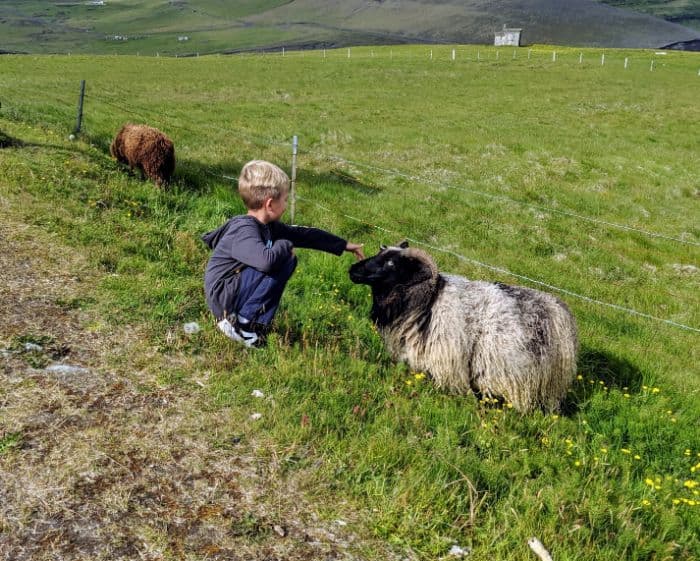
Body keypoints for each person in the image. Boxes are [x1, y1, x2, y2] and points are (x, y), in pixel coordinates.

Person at [202, 160, 365, 347]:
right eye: (285, 199)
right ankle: (237, 324)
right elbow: (266, 262)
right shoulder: (243, 230)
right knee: (283, 257)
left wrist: (344, 245)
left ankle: (251, 321)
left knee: (284, 257)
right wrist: (285, 244)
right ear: (270, 204)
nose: (287, 205)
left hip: (233, 289)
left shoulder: (268, 227)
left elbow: (304, 234)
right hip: (222, 298)